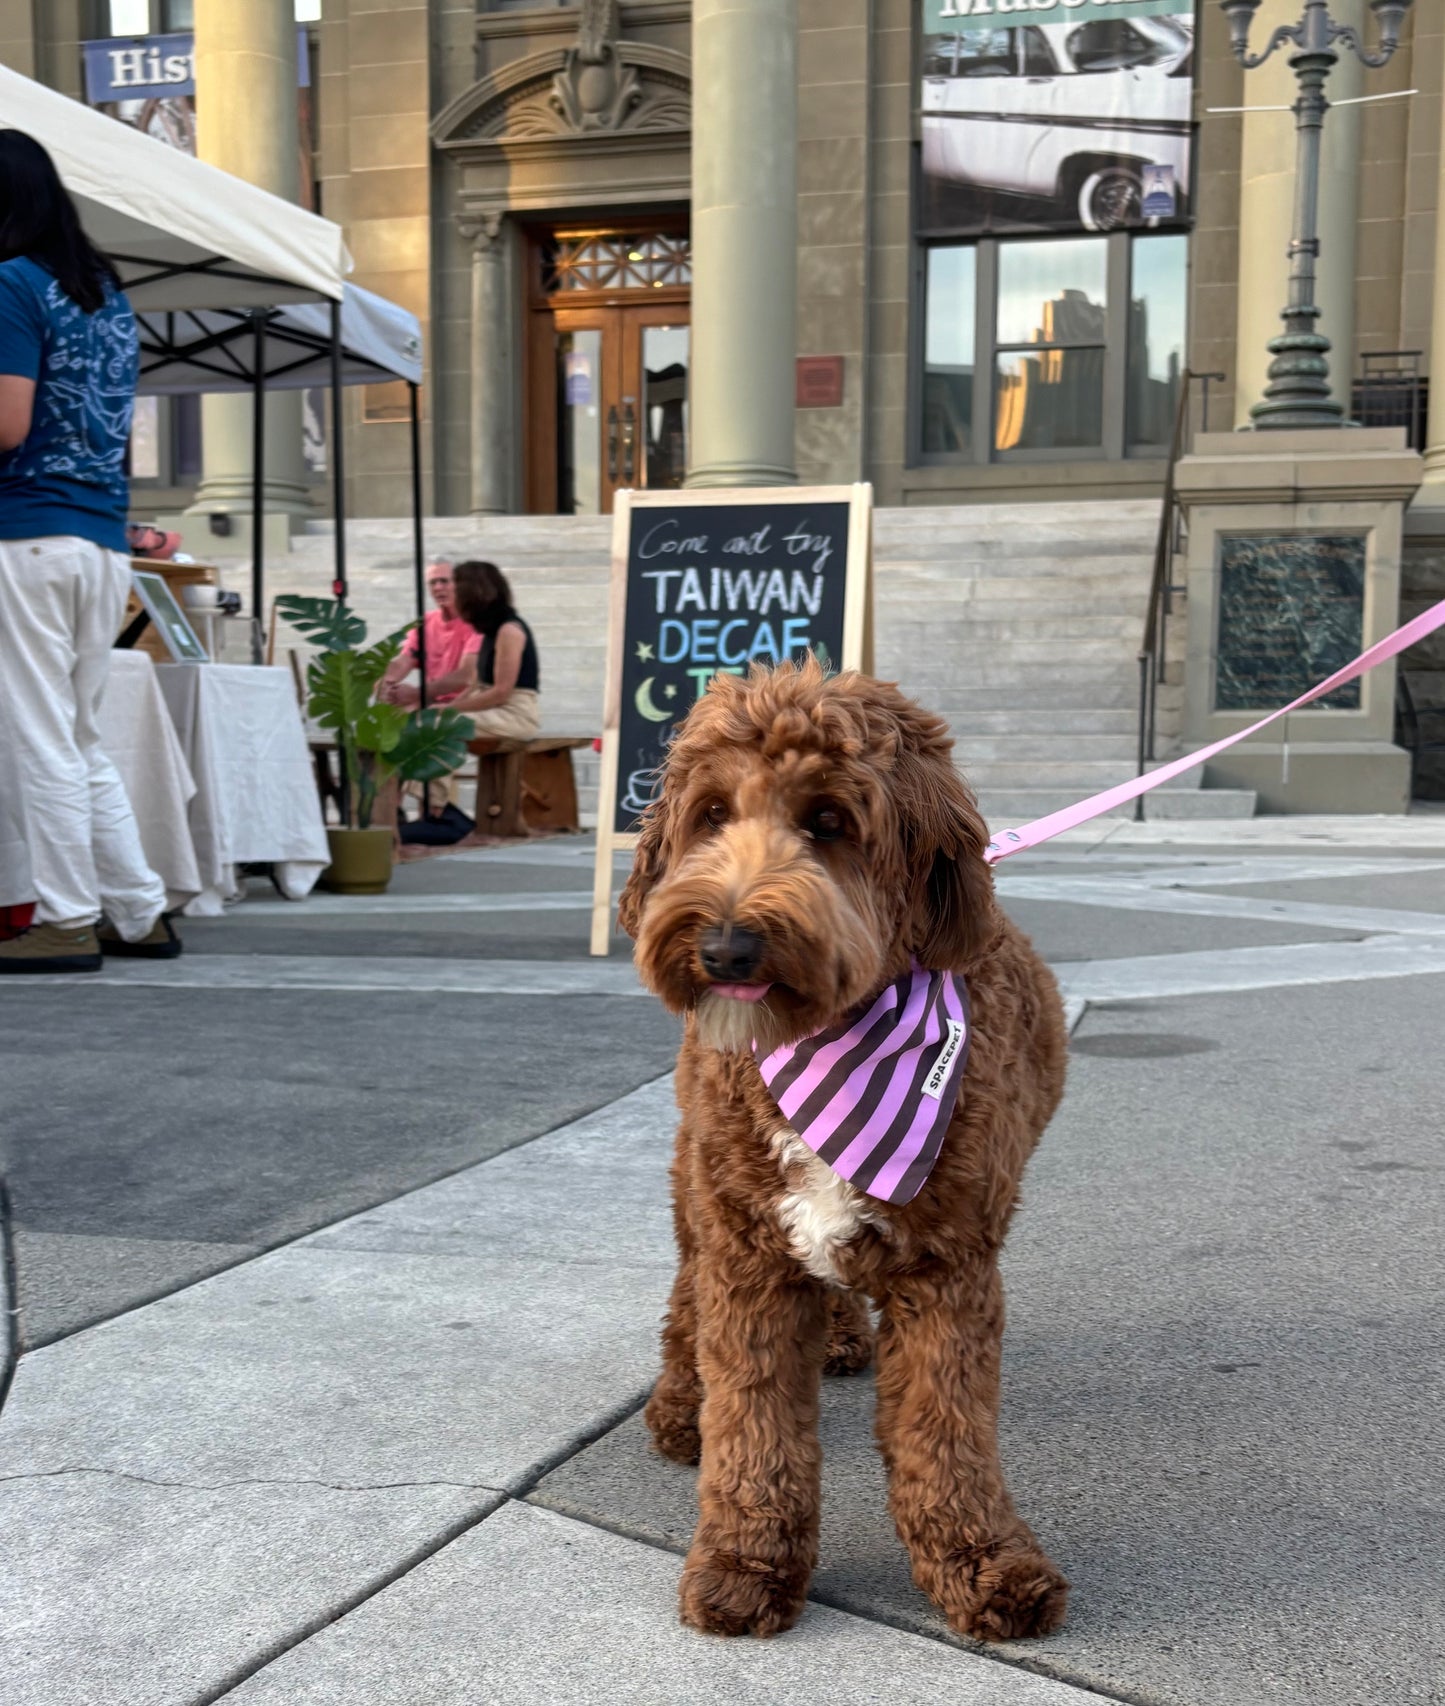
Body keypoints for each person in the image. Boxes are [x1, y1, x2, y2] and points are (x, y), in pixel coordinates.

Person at [0, 132, 176, 975]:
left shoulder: (9, 283)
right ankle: (138, 910)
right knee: (77, 735)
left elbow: (8, 426)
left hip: (26, 533)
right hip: (101, 540)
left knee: (40, 736)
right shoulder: (107, 294)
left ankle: (66, 918)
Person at [447, 560, 542, 742]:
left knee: (438, 727)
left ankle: (433, 771)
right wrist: (445, 708)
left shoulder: (509, 631)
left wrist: (449, 711)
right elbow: (474, 686)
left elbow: (501, 692)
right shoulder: (491, 631)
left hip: (514, 715)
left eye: (455, 591)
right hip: (493, 711)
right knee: (427, 721)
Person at [375, 558, 480, 707]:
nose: (438, 587)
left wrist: (416, 693)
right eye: (432, 582)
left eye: (444, 581)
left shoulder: (477, 622)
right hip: (430, 700)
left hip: (465, 704)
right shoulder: (425, 622)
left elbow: (466, 675)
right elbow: (404, 661)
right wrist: (385, 683)